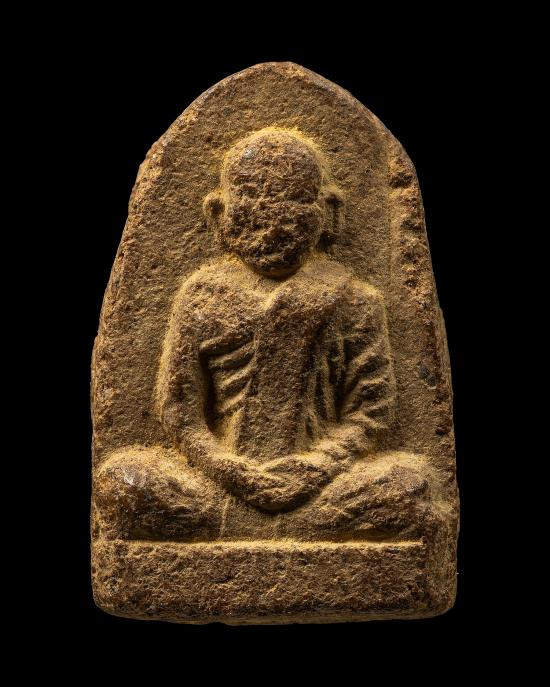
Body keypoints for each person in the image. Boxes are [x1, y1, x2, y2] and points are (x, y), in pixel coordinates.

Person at [95, 129, 444, 542]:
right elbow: (179, 412)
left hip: (322, 484)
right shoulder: (201, 296)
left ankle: (245, 527)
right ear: (218, 213)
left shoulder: (354, 299)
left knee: (412, 486)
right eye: (250, 201)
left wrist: (317, 466)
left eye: (293, 201)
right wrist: (226, 468)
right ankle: (290, 528)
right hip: (221, 482)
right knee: (124, 483)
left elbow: (371, 412)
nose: (272, 220)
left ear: (328, 212)